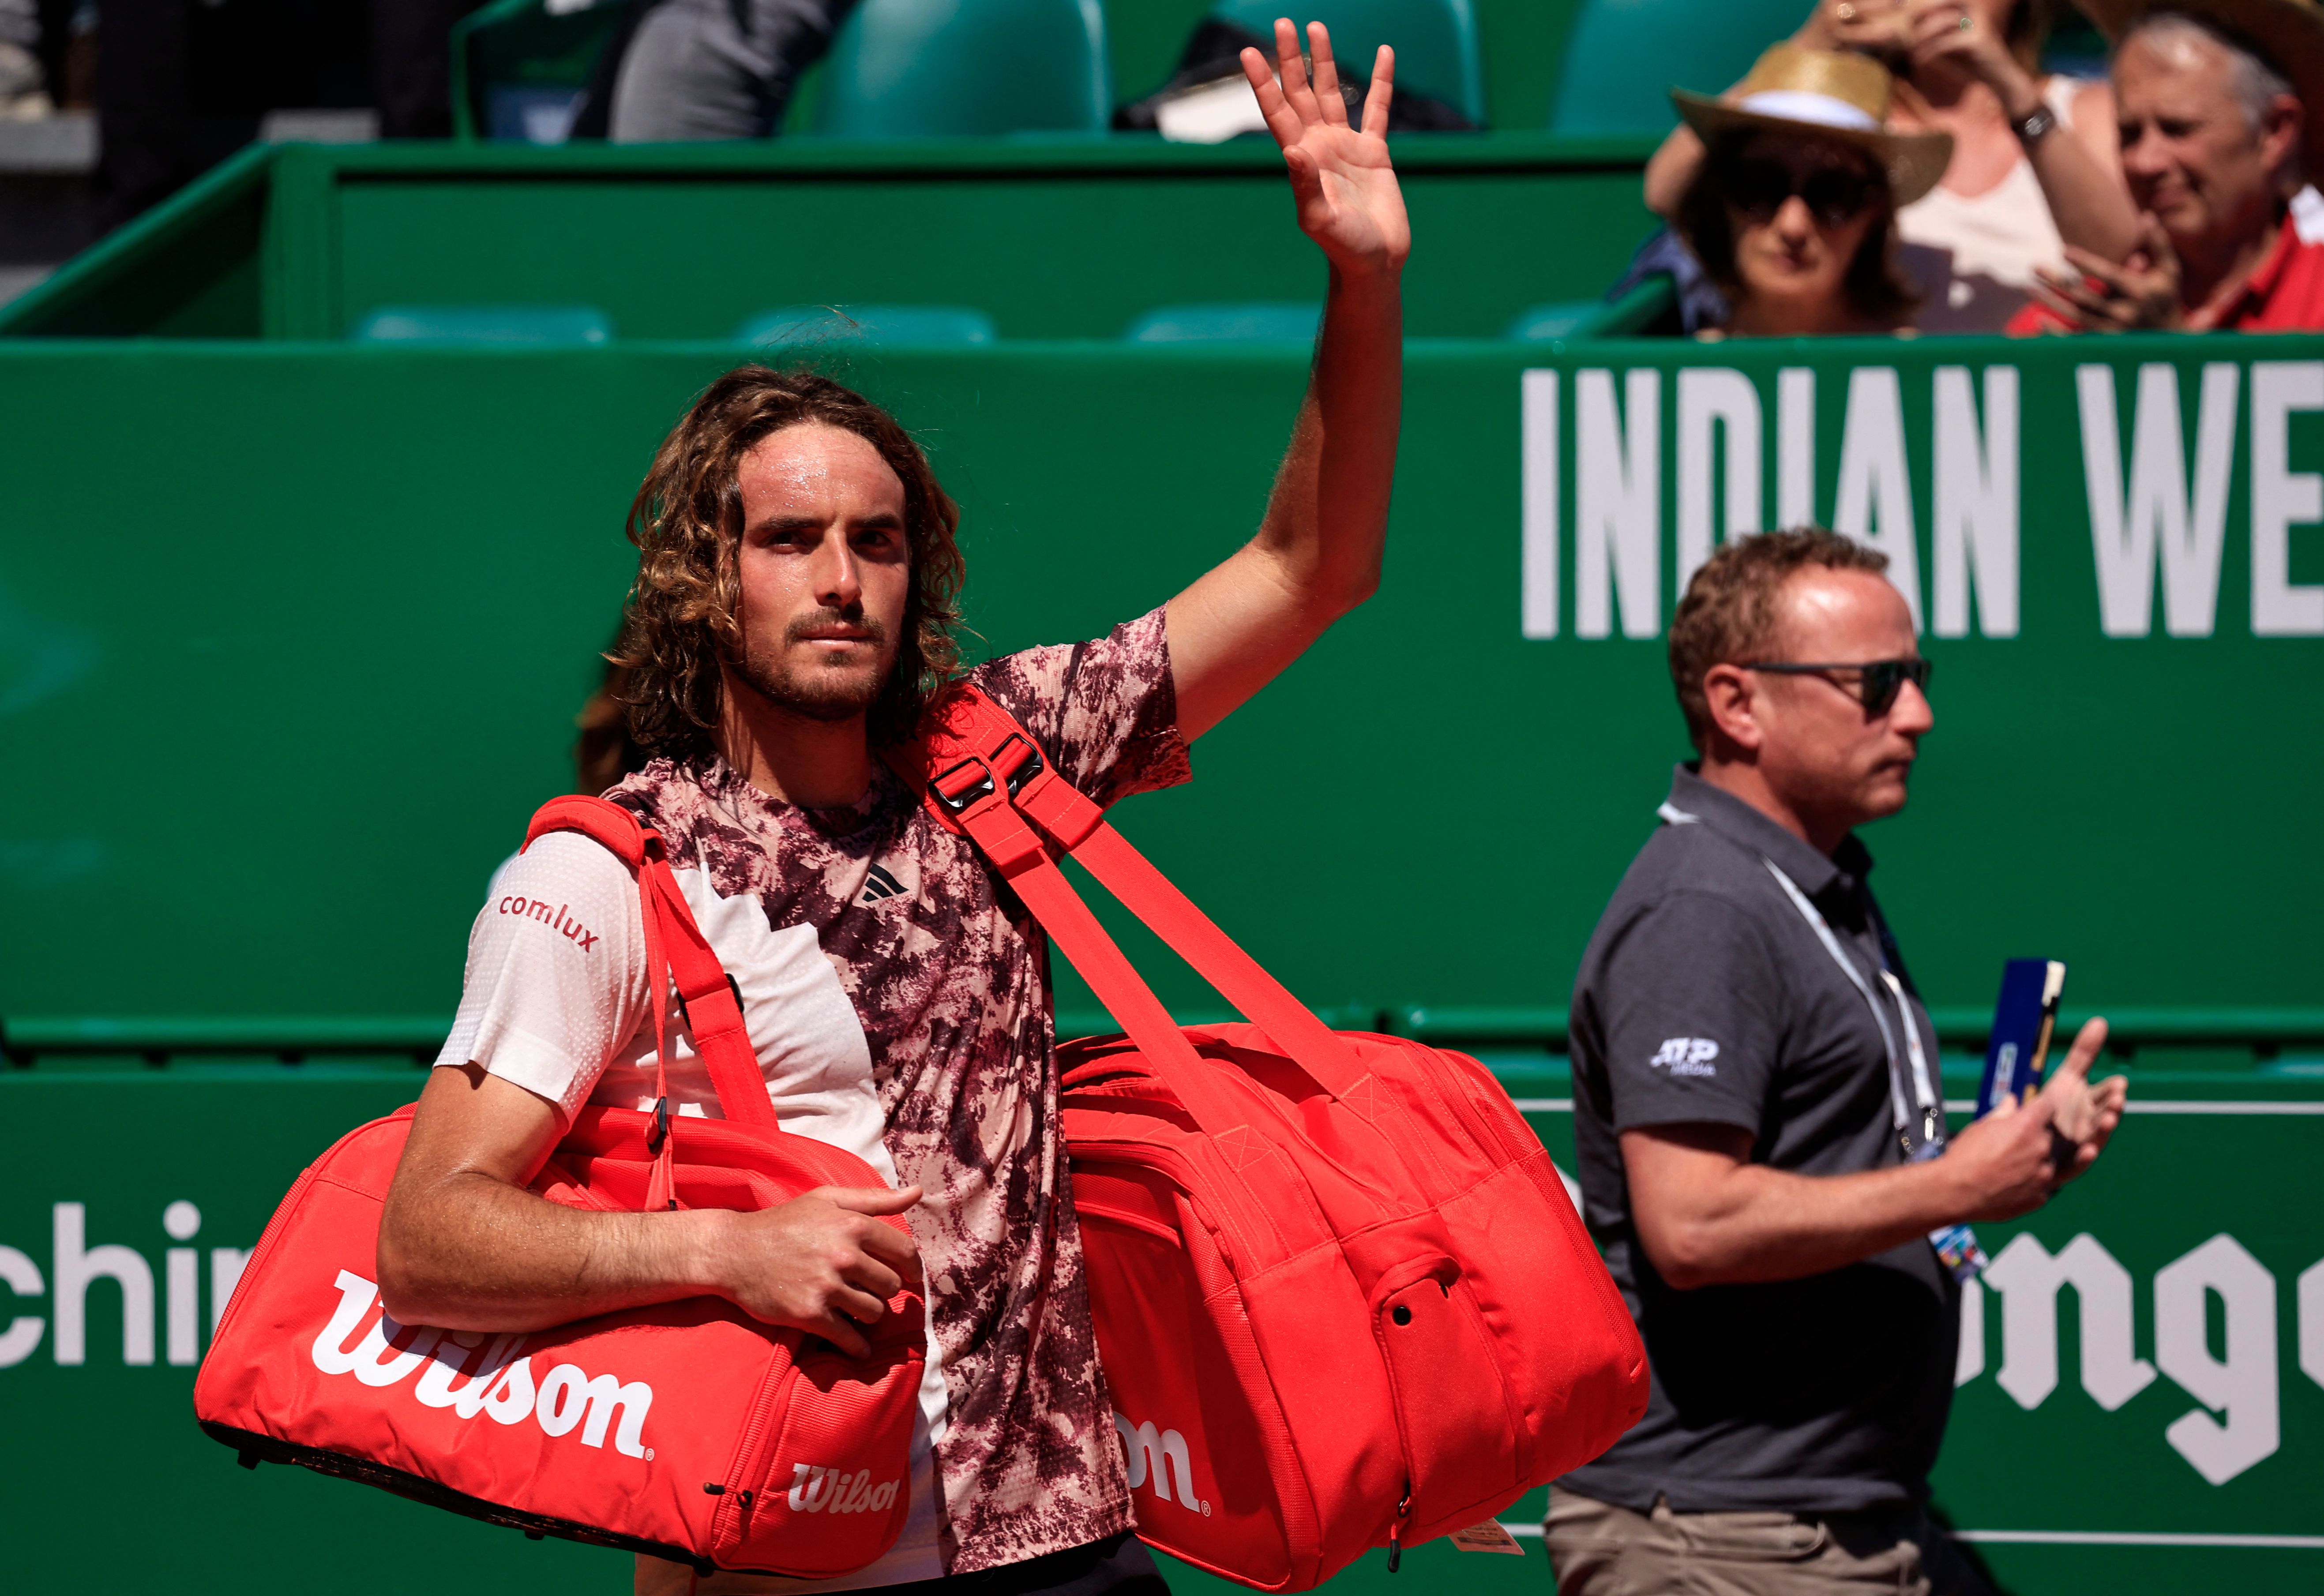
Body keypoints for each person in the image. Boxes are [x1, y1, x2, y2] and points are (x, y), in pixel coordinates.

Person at [375, 20, 1406, 1596]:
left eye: (877, 537)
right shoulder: (600, 875)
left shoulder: (998, 752)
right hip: (790, 1555)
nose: (841, 576)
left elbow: (1307, 569)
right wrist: (723, 1248)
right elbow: (431, 1234)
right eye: (790, 538)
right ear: (704, 574)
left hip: (1065, 1544)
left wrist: (1362, 283)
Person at [1546, 530, 2129, 1596]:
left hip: (1826, 1524)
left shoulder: (1805, 883)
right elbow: (1690, 1223)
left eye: (1916, 676)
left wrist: (2006, 1157)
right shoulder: (1702, 907)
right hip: (1724, 1541)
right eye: (1875, 683)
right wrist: (1960, 1184)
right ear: (1736, 703)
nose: (1916, 714)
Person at [1644, 0, 2137, 331]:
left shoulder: (2083, 112)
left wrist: (2009, 86)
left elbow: (2117, 255)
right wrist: (1816, 38)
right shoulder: (1848, 124)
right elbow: (1668, 191)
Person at [2013, 1, 2324, 331]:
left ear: (2274, 132)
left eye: (2178, 129)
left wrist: (2165, 348)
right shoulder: (2072, 324)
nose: (2145, 162)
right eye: (2130, 134)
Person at [1664, 45, 1951, 336]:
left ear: (1873, 215)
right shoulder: (1688, 363)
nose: (1793, 227)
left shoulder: (1910, 361)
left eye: (1833, 195)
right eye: (1760, 188)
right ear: (1721, 196)